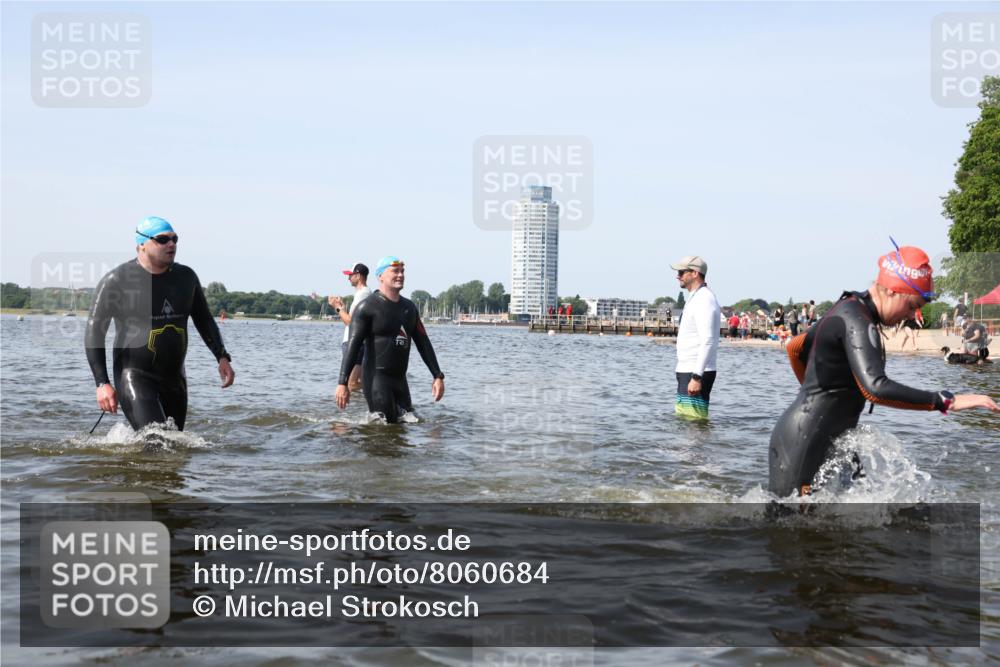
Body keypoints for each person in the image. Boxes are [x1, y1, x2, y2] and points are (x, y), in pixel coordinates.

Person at [769, 242, 997, 497]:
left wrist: (820, 391)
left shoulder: (851, 310)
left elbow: (795, 347)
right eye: (911, 306)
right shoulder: (856, 319)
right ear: (890, 290)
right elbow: (875, 389)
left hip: (832, 438)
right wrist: (945, 402)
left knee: (843, 522)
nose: (912, 315)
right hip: (804, 441)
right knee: (790, 528)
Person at [85, 216, 235, 431]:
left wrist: (221, 356)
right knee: (156, 441)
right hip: (135, 376)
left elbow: (204, 319)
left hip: (175, 379)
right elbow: (94, 333)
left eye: (175, 239)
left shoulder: (186, 277)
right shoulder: (117, 281)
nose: (171, 244)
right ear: (142, 245)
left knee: (173, 444)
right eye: (162, 239)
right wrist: (102, 383)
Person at [335, 256, 445, 423]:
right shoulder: (367, 307)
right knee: (386, 427)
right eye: (395, 271)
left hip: (400, 380)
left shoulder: (409, 308)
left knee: (409, 423)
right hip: (376, 380)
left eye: (402, 271)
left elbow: (423, 342)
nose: (400, 275)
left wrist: (437, 376)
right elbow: (353, 345)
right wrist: (342, 383)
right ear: (381, 276)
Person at [670, 255, 721, 420]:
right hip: (687, 369)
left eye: (682, 272)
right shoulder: (695, 297)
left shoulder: (704, 299)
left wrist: (696, 376)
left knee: (694, 423)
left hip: (696, 371)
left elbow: (709, 340)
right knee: (685, 421)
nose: (678, 275)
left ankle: (699, 447)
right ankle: (698, 447)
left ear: (695, 273)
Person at [329, 262, 372, 392]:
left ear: (358, 276)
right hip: (357, 342)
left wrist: (336, 308)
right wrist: (342, 308)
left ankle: (378, 392)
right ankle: (365, 406)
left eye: (350, 275)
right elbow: (353, 319)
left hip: (356, 342)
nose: (348, 278)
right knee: (357, 381)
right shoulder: (362, 293)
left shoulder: (362, 294)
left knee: (351, 384)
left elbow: (351, 322)